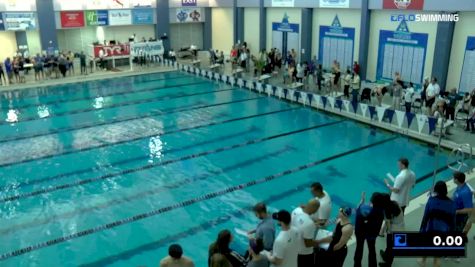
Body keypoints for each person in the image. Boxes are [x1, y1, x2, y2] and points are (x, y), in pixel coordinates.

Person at [418, 181, 456, 267]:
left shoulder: (431, 200)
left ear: (436, 190)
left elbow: (425, 216)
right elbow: (453, 220)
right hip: (443, 230)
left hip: (431, 228)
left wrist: (422, 230)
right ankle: (435, 262)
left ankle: (423, 260)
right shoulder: (452, 204)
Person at [354, 192, 390, 267]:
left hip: (361, 232)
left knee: (359, 248)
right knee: (372, 249)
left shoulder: (365, 208)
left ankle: (357, 265)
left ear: (372, 201)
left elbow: (358, 209)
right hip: (372, 233)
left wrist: (362, 200)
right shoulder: (382, 210)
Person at [291, 199, 319, 267]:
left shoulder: (296, 210)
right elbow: (308, 243)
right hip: (304, 254)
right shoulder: (310, 223)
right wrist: (319, 243)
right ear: (315, 209)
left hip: (294, 248)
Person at [379, 201, 404, 267]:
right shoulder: (396, 205)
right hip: (400, 227)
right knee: (390, 246)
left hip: (393, 231)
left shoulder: (389, 213)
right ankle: (385, 255)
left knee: (391, 247)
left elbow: (389, 227)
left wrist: (385, 231)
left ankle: (388, 264)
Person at [453, 172, 473, 240]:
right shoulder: (459, 186)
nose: (453, 179)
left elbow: (469, 209)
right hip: (456, 212)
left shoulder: (465, 192)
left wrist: (457, 212)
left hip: (461, 216)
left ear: (456, 180)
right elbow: (456, 197)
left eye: (454, 178)